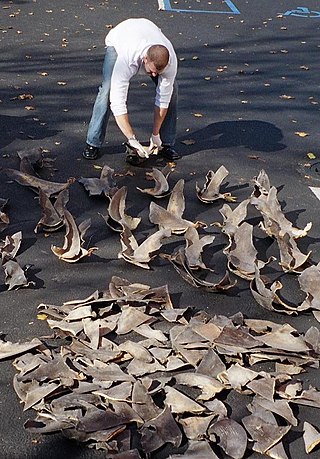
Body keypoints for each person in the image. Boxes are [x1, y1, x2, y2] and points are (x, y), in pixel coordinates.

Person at [83, 18, 181, 162]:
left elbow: (163, 100)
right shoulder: (127, 59)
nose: (154, 75)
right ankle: (93, 142)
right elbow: (117, 103)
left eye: (158, 72)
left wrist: (155, 134)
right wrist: (131, 138)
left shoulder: (170, 63)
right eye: (152, 71)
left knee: (172, 91)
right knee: (108, 89)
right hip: (120, 39)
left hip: (147, 30)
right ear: (145, 59)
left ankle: (164, 143)